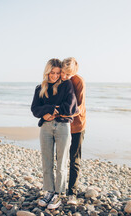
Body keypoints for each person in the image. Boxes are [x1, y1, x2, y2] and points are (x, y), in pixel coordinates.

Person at [31, 58, 78, 210]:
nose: (55, 76)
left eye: (58, 73)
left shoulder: (67, 85)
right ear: (47, 72)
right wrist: (47, 111)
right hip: (45, 127)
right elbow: (35, 109)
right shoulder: (40, 88)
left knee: (62, 161)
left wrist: (49, 110)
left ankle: (58, 193)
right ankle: (49, 191)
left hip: (63, 127)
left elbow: (70, 107)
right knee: (47, 161)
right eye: (52, 73)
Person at [61, 57, 86, 205]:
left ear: (74, 72)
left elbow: (80, 107)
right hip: (63, 125)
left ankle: (72, 193)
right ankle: (59, 190)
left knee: (74, 160)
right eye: (63, 72)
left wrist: (62, 113)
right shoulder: (60, 80)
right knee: (61, 158)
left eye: (68, 74)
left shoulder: (79, 82)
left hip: (77, 125)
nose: (64, 76)